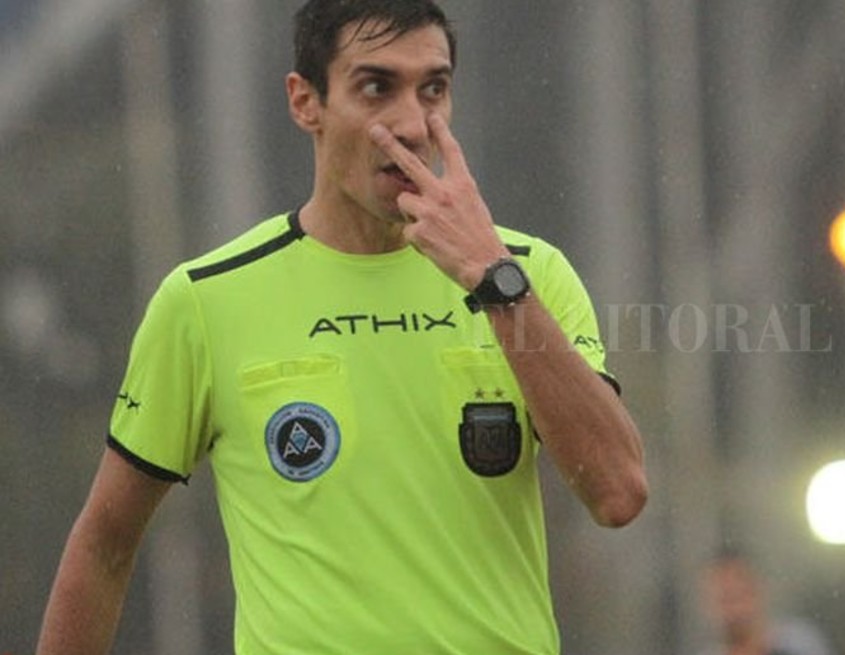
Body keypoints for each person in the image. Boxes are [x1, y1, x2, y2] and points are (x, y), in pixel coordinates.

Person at [36, 0, 648, 652]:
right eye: (377, 87)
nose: (411, 124)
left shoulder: (528, 275)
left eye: (433, 89)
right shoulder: (205, 300)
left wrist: (494, 281)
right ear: (306, 102)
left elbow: (618, 494)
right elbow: (104, 543)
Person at [699, 552, 835, 655]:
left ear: (758, 591)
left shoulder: (798, 644)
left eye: (736, 597)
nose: (733, 611)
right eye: (721, 600)